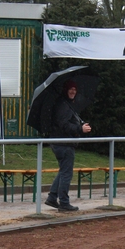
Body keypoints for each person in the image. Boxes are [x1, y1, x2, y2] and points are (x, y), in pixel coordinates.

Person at [44, 80, 91, 212]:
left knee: (63, 171)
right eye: (70, 89)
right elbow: (64, 125)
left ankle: (52, 197)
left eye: (75, 89)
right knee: (66, 173)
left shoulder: (65, 104)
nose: (73, 91)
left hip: (60, 143)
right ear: (65, 90)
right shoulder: (63, 105)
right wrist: (80, 129)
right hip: (63, 144)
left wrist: (80, 126)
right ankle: (64, 202)